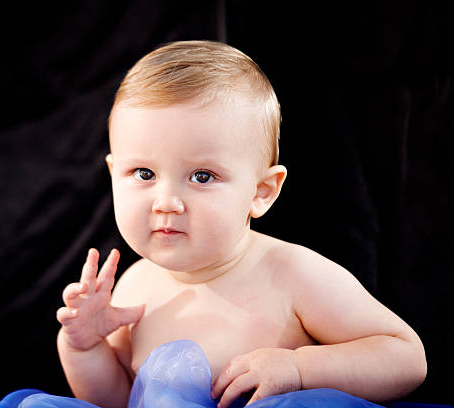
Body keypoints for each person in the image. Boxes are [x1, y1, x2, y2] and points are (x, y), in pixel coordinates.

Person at [56, 40, 427, 408]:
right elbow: (117, 401)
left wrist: (298, 367)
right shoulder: (134, 288)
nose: (166, 201)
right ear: (112, 174)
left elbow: (405, 357)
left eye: (202, 176)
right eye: (144, 172)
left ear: (261, 192)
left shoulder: (291, 274)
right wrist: (85, 348)